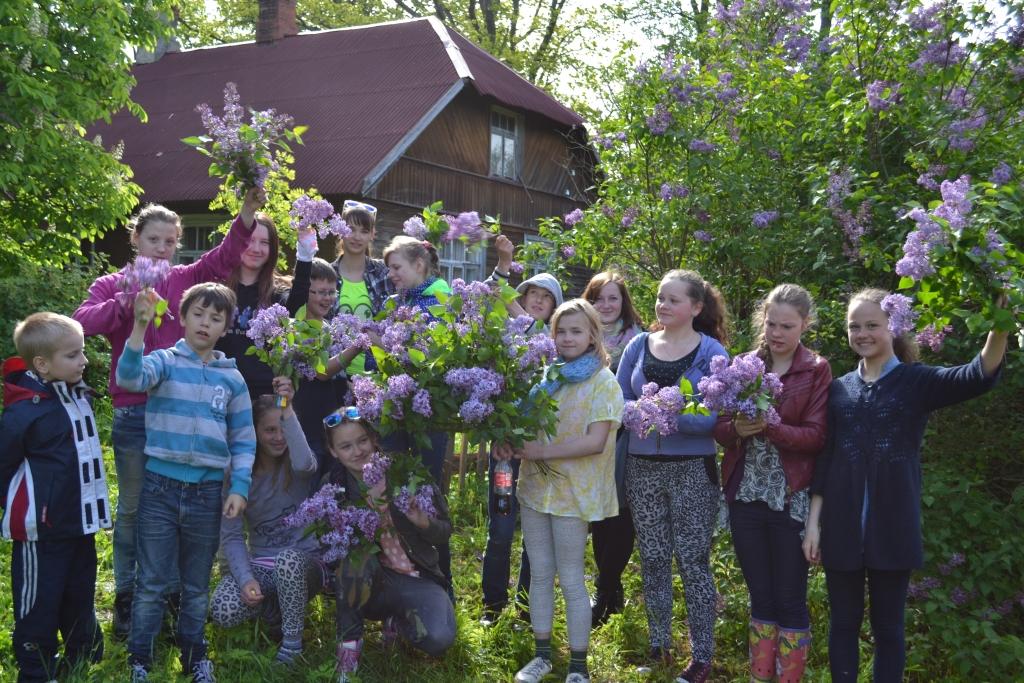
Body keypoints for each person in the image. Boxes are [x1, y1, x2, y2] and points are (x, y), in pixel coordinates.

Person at [73, 190, 263, 638]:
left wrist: (248, 215)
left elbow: (222, 260)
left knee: (181, 509)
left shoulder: (184, 278)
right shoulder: (113, 283)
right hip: (136, 412)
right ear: (135, 238)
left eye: (170, 241)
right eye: (154, 239)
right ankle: (127, 595)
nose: (162, 248)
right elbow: (82, 321)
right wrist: (127, 305)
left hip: (184, 414)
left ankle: (173, 595)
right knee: (136, 507)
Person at [803, 288, 1007, 683]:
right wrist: (814, 523)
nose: (862, 333)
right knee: (842, 626)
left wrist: (1000, 322)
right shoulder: (838, 389)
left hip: (893, 527)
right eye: (854, 326)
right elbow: (825, 459)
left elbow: (977, 374)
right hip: (841, 527)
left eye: (872, 325)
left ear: (893, 328)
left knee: (889, 631)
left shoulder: (916, 382)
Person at [116, 283, 256, 683]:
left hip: (208, 494)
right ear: (182, 317)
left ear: (226, 327)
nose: (205, 323)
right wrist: (140, 328)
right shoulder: (163, 362)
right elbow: (129, 379)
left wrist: (239, 487)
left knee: (196, 586)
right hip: (159, 488)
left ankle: (194, 657)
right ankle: (138, 659)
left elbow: (244, 439)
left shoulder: (233, 380)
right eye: (198, 314)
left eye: (216, 318)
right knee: (152, 583)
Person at [499, 299, 624, 683]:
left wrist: (539, 451)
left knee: (571, 578)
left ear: (592, 335)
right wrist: (509, 442)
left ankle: (578, 667)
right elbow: (528, 428)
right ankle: (542, 657)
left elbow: (595, 442)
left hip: (574, 492)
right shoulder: (547, 378)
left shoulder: (603, 382)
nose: (567, 338)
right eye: (561, 331)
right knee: (539, 572)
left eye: (576, 331)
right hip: (536, 487)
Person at [616, 269, 730, 683]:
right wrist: (644, 414)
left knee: (694, 561)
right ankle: (659, 644)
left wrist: (666, 415)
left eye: (673, 300)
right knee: (653, 557)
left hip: (693, 471)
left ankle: (702, 656)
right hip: (642, 467)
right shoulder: (637, 345)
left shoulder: (712, 352)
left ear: (696, 307)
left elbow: (713, 419)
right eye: (660, 298)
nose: (662, 305)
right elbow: (620, 403)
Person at [713, 284, 831, 682]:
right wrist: (738, 428)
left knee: (790, 599)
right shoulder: (745, 364)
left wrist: (771, 427)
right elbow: (720, 427)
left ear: (804, 326)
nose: (777, 332)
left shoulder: (816, 369)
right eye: (771, 323)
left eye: (787, 325)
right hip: (746, 495)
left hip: (790, 498)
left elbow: (816, 436)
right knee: (760, 596)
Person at [0, 313, 111, 683]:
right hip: (42, 531)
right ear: (42, 365)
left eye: (82, 352)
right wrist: (26, 508)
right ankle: (35, 668)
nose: (83, 361)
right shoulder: (24, 412)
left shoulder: (76, 395)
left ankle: (82, 654)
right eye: (73, 355)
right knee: (39, 601)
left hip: (79, 523)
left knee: (79, 589)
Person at [323, 407, 456, 682]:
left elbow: (444, 532)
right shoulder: (334, 487)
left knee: (439, 638)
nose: (357, 451)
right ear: (333, 451)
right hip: (369, 584)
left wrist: (423, 522)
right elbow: (329, 547)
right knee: (355, 561)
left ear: (373, 438)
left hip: (416, 577)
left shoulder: (405, 471)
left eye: (361, 441)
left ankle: (397, 621)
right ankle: (348, 655)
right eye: (345, 446)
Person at [210, 378, 326, 664]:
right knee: (224, 609)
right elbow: (233, 535)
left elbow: (305, 463)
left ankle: (291, 645)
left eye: (282, 428)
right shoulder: (238, 476)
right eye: (269, 430)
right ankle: (273, 610)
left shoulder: (298, 467)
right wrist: (246, 578)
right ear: (254, 432)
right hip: (263, 565)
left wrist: (286, 407)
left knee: (288, 560)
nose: (278, 437)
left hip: (305, 564)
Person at [480, 235, 564, 624]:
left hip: (539, 454)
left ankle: (527, 608)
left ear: (555, 311)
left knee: (535, 536)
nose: (537, 300)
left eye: (547, 299)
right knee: (499, 528)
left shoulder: (553, 344)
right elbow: (498, 295)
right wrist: (504, 261)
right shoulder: (510, 333)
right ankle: (491, 606)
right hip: (504, 450)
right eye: (533, 293)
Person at [580, 271, 643, 626]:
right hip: (587, 438)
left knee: (619, 517)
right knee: (598, 517)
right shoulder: (580, 335)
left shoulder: (638, 340)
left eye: (613, 298)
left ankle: (605, 590)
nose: (605, 305)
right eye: (598, 298)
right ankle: (611, 590)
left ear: (624, 303)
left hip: (623, 441)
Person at [217, 215, 317, 399]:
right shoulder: (218, 287)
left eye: (264, 242)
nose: (256, 248)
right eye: (250, 240)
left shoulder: (277, 293)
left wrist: (304, 259)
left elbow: (294, 311)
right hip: (220, 391)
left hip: (265, 397)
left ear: (272, 249)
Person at [292, 257, 349, 471]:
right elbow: (322, 372)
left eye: (332, 292)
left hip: (330, 427)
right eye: (321, 292)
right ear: (305, 291)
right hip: (308, 427)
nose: (328, 299)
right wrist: (355, 349)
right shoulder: (297, 326)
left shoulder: (328, 326)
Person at [328, 200, 395, 379]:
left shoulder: (384, 273)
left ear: (373, 234)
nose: (357, 237)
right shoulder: (327, 275)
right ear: (340, 231)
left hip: (379, 375)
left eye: (364, 231)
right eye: (351, 229)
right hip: (337, 376)